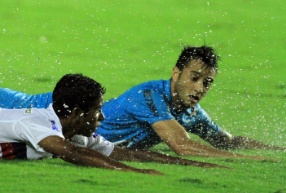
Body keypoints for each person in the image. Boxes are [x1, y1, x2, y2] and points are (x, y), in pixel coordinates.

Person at [0, 73, 226, 172]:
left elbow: (130, 154)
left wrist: (190, 164)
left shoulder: (74, 134)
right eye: (97, 111)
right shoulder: (38, 124)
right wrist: (133, 173)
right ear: (78, 113)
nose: (103, 117)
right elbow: (73, 154)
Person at [96, 46, 286, 157]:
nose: (199, 89)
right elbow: (181, 145)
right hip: (79, 140)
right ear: (176, 73)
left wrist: (282, 150)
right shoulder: (148, 95)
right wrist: (245, 160)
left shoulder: (192, 113)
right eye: (194, 78)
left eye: (207, 83)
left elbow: (226, 141)